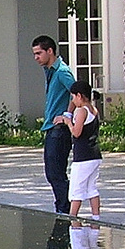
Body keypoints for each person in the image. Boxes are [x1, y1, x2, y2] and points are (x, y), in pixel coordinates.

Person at [32, 36, 75, 213]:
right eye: (34, 54)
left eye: (39, 53)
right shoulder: (50, 71)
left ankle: (65, 208)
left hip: (59, 129)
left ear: (50, 51)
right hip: (51, 128)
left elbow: (77, 93)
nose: (36, 57)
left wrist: (67, 114)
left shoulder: (62, 71)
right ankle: (64, 206)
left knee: (55, 172)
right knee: (52, 172)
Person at [56, 80, 101, 219]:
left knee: (76, 189)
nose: (73, 100)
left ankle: (72, 217)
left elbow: (76, 132)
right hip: (94, 154)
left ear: (80, 96)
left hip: (83, 157)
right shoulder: (94, 110)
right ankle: (96, 216)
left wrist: (68, 121)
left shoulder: (81, 111)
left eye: (73, 97)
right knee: (91, 188)